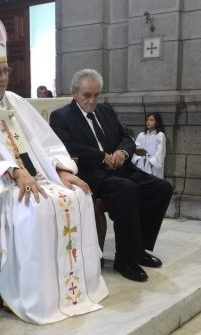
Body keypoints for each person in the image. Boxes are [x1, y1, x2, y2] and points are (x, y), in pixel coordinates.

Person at [0, 8, 108, 325]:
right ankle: (29, 294)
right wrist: (11, 171)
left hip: (34, 177)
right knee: (35, 207)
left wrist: (63, 170)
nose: (3, 77)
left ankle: (68, 288)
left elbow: (46, 142)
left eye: (5, 70)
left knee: (78, 196)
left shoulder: (14, 101)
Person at [50, 69, 173, 283]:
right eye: (86, 95)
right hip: (92, 174)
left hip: (120, 168)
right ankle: (124, 259)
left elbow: (126, 137)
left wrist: (122, 152)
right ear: (74, 92)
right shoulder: (61, 116)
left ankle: (138, 248)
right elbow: (66, 147)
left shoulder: (106, 110)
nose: (92, 101)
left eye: (96, 95)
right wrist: (101, 157)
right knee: (127, 190)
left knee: (161, 188)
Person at [132, 112, 167, 179]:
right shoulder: (141, 135)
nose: (148, 122)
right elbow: (135, 150)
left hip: (153, 167)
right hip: (140, 165)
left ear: (157, 122)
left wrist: (149, 162)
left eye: (151, 120)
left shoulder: (160, 135)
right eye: (147, 120)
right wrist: (138, 160)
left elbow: (160, 153)